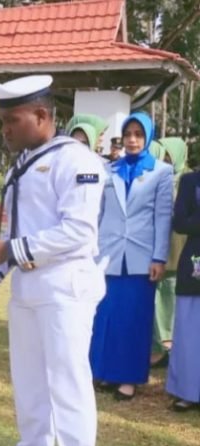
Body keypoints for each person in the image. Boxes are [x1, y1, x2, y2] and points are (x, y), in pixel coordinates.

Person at [0, 74, 105, 446]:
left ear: (43, 115)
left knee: (67, 385)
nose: (5, 130)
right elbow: (18, 231)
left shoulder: (77, 160)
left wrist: (9, 250)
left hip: (65, 287)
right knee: (29, 383)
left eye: (13, 120)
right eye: (3, 121)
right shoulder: (22, 164)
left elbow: (77, 231)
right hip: (29, 287)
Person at [89, 112, 173, 401]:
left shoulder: (161, 172)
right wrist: (91, 250)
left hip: (141, 256)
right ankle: (103, 371)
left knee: (134, 319)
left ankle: (128, 378)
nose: (132, 139)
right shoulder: (108, 169)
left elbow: (162, 217)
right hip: (108, 253)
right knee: (105, 316)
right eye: (128, 134)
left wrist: (159, 257)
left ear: (148, 137)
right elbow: (98, 212)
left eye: (138, 134)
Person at [148, 137, 188, 367]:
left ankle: (171, 346)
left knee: (173, 298)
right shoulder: (159, 177)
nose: (164, 160)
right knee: (157, 300)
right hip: (158, 248)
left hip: (181, 248)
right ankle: (159, 346)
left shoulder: (187, 179)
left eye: (168, 156)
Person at [167, 167, 200, 411]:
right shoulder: (190, 180)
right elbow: (180, 222)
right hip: (195, 261)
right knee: (190, 329)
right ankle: (188, 391)